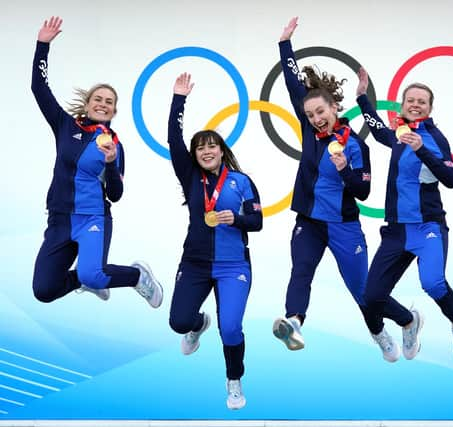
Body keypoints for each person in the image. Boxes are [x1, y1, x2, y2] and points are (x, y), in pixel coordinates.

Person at [272, 17, 421, 362]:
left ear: (334, 108)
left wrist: (345, 172)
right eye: (309, 115)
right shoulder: (310, 132)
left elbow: (363, 192)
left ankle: (406, 320)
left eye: (320, 112)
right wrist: (284, 44)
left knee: (365, 294)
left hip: (343, 226)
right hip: (309, 221)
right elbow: (295, 85)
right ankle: (294, 321)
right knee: (301, 270)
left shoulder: (355, 146)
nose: (315, 118)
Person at [31, 16, 163, 309]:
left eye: (109, 102)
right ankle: (84, 280)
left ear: (114, 111)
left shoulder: (114, 144)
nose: (103, 104)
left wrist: (112, 164)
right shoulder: (66, 126)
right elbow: (39, 89)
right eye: (98, 99)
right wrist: (43, 45)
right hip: (59, 219)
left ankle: (136, 276)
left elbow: (115, 195)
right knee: (44, 289)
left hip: (92, 218)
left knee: (95, 274)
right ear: (88, 103)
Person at [355, 66, 453, 363]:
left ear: (430, 108)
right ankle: (409, 321)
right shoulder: (399, 133)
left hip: (427, 226)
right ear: (403, 105)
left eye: (422, 101)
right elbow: (378, 128)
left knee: (433, 283)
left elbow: (451, 179)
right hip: (396, 231)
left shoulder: (434, 137)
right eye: (411, 100)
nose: (416, 104)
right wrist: (362, 99)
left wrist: (422, 150)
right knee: (371, 297)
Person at [167, 73, 263, 410]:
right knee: (179, 322)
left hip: (233, 266)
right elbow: (173, 141)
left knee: (232, 328)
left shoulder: (241, 181)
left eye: (212, 145)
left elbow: (258, 222)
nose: (206, 151)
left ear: (222, 151)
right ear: (195, 155)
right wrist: (178, 99)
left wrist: (235, 218)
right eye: (201, 147)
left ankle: (234, 379)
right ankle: (198, 323)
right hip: (194, 264)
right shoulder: (190, 176)